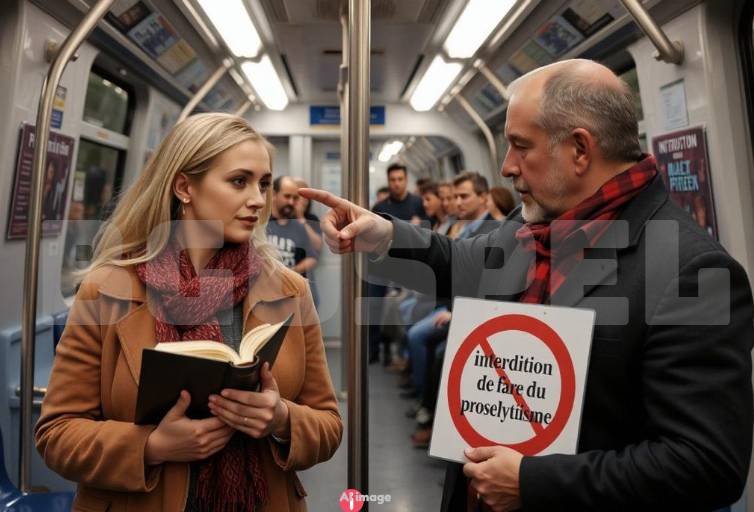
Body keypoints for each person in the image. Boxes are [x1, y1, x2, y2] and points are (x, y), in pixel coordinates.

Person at [300, 58, 753, 511]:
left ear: (580, 149)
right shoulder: (534, 225)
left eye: (520, 146)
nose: (507, 167)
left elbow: (705, 463)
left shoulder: (692, 272)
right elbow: (462, 259)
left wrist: (533, 480)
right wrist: (385, 234)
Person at [36, 113, 342, 512]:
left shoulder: (288, 290)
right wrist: (150, 447)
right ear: (184, 187)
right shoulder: (108, 289)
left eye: (264, 184)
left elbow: (329, 426)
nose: (257, 199)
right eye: (239, 181)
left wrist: (282, 419)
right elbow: (56, 435)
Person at [266, 176, 318, 279]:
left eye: (295, 198)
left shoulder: (299, 225)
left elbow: (312, 258)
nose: (291, 202)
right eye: (287, 196)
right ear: (274, 194)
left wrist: (292, 271)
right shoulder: (262, 222)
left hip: (292, 288)